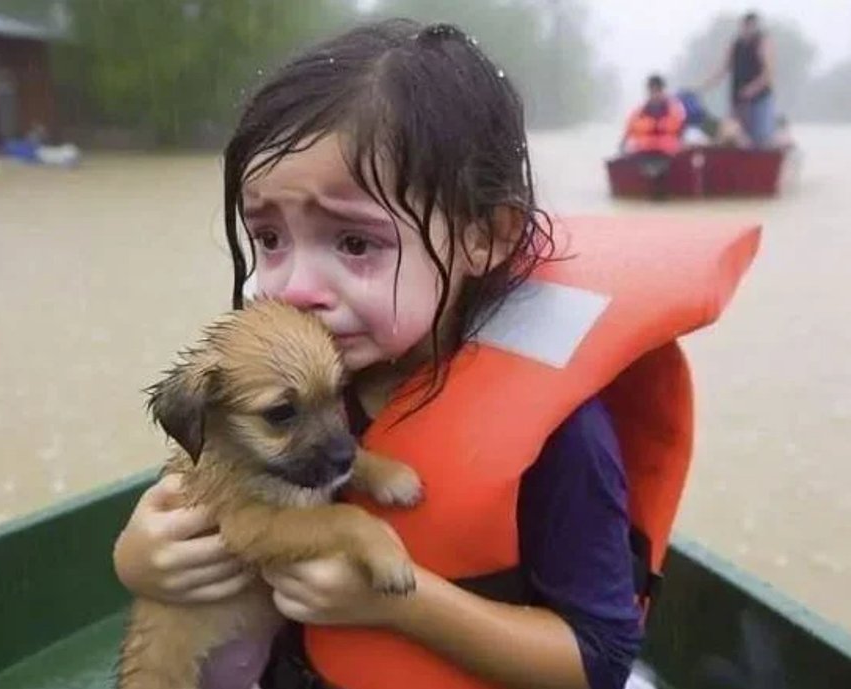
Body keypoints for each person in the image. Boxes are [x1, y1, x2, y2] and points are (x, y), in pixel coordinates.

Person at [112, 19, 759, 689]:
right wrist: (138, 557)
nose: (296, 288)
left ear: (485, 235)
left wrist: (403, 601)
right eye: (269, 237)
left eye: (355, 243)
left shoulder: (565, 438)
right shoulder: (284, 373)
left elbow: (598, 657)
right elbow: (218, 510)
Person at [699, 11, 776, 147]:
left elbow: (768, 74)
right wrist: (703, 86)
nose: (748, 29)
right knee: (731, 135)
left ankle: (762, 161)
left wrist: (752, 88)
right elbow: (722, 69)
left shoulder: (763, 42)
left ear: (756, 26)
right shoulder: (735, 44)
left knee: (760, 138)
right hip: (738, 99)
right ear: (741, 26)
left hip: (760, 99)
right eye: (746, 25)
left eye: (752, 25)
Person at [622, 75, 687, 157]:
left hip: (669, 154)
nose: (655, 94)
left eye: (658, 90)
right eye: (652, 90)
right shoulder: (637, 113)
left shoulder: (676, 110)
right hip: (641, 155)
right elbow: (627, 136)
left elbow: (682, 132)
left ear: (663, 91)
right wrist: (624, 147)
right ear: (648, 92)